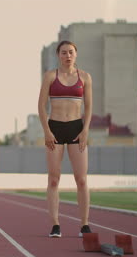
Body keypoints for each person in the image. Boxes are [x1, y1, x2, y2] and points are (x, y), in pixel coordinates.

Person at [38, 40, 93, 238]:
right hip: (55, 129)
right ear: (58, 55)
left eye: (70, 52)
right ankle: (55, 224)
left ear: (75, 54)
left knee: (81, 179)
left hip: (77, 130)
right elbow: (41, 106)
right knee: (54, 179)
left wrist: (85, 130)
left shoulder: (85, 77)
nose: (67, 56)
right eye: (63, 53)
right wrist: (47, 131)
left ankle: (85, 224)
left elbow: (88, 107)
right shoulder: (51, 76)